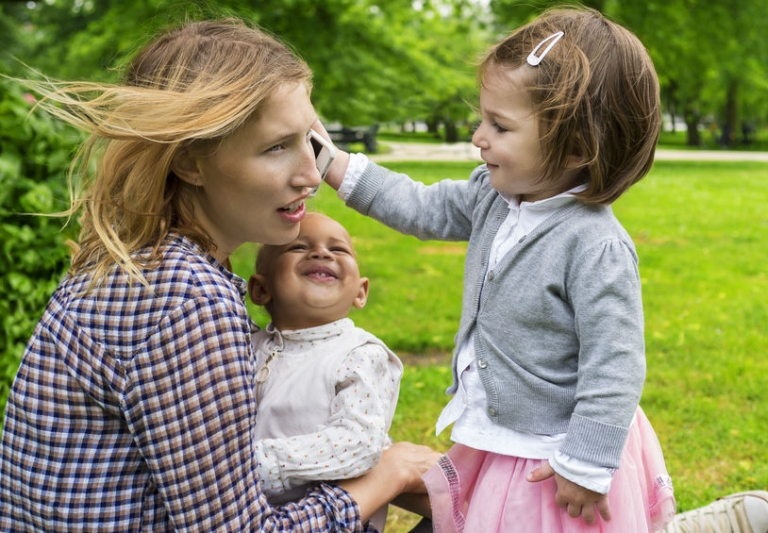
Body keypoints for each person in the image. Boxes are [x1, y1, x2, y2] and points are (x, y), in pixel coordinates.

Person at [0, 18, 440, 532]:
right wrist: (382, 478)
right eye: (277, 147)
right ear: (190, 161)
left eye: (310, 142)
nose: (311, 175)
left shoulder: (148, 263)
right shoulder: (185, 297)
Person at [321, 6, 676, 532]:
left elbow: (615, 365)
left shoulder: (595, 245)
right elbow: (422, 206)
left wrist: (586, 462)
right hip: (501, 439)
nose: (478, 137)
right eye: (482, 118)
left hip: (554, 454)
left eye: (500, 125)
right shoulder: (494, 196)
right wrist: (335, 164)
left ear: (576, 147)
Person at [246, 212, 403, 531]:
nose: (322, 253)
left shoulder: (359, 354)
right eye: (299, 247)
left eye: (339, 249)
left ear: (361, 292)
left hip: (337, 520)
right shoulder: (245, 346)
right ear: (261, 290)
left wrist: (254, 463)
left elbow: (359, 442)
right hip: (251, 515)